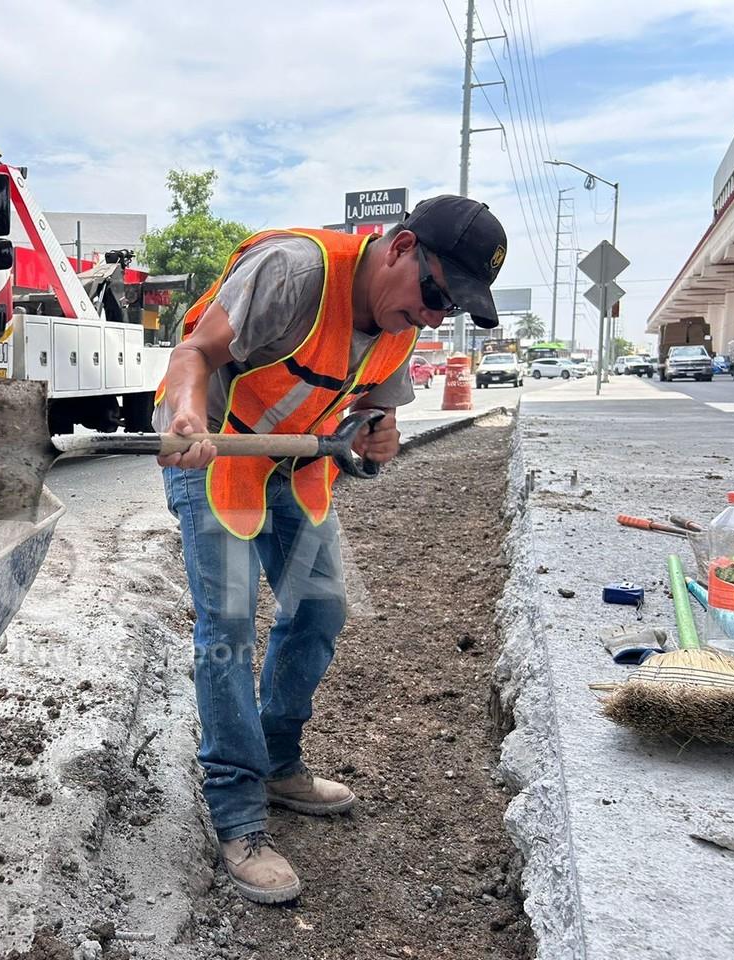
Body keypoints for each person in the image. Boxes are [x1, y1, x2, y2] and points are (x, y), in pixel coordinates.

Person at [153, 195, 508, 904]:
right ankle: (236, 810)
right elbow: (193, 352)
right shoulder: (291, 273)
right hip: (214, 451)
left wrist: (376, 439)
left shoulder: (404, 327)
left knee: (319, 612)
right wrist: (189, 415)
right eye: (435, 293)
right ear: (401, 248)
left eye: (452, 308)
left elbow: (373, 420)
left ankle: (279, 762)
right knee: (225, 628)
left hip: (294, 467)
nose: (436, 315)